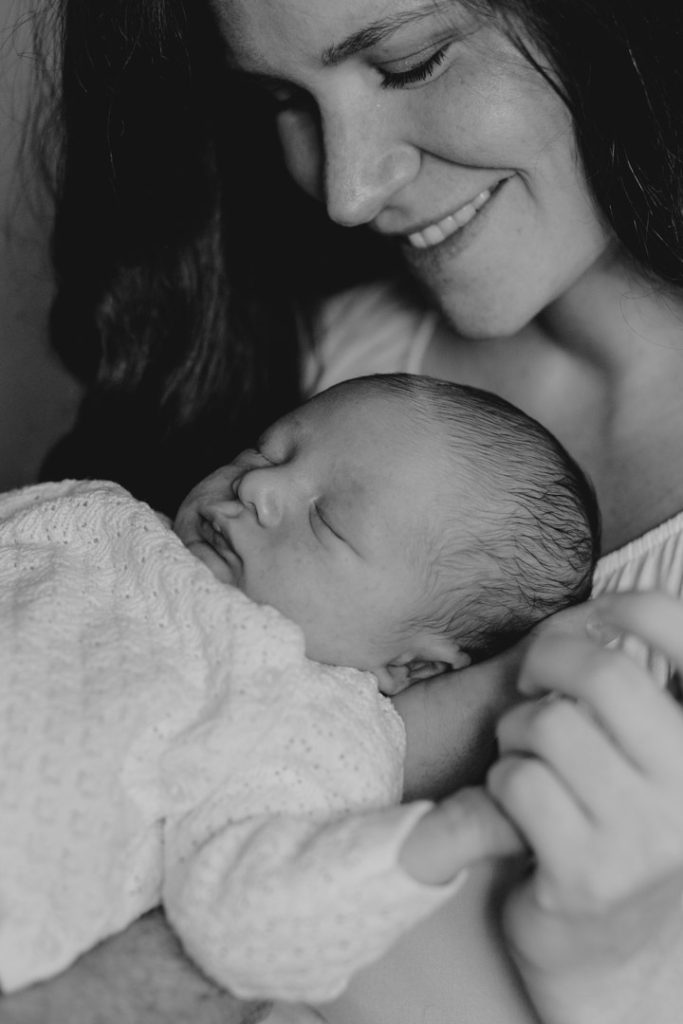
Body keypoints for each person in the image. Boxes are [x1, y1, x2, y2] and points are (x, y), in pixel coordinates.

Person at [2, 0, 683, 1022]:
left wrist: (612, 978)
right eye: (283, 98)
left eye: (411, 61)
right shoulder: (309, 365)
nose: (346, 189)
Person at [0, 372, 598, 999]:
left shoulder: (315, 719)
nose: (257, 484)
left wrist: (447, 838)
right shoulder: (106, 517)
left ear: (412, 668)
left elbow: (248, 919)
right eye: (267, 450)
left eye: (330, 522)